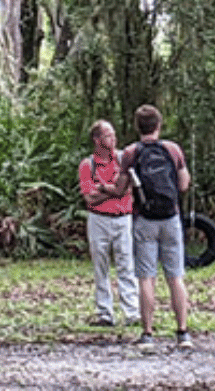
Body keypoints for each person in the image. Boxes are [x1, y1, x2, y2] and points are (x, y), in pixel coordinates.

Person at [121, 103, 192, 351]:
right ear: (158, 126)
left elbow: (122, 188)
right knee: (175, 276)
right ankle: (182, 332)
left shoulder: (130, 152)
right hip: (171, 218)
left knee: (146, 278)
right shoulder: (172, 150)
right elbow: (183, 184)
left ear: (137, 127)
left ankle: (148, 334)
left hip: (144, 220)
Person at [78, 118, 138, 328]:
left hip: (123, 218)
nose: (113, 139)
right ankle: (105, 312)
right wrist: (114, 190)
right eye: (107, 135)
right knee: (100, 265)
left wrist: (103, 188)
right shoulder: (88, 164)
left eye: (113, 134)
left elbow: (128, 188)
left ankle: (131, 312)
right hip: (99, 219)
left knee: (126, 264)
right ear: (97, 139)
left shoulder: (123, 159)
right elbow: (89, 197)